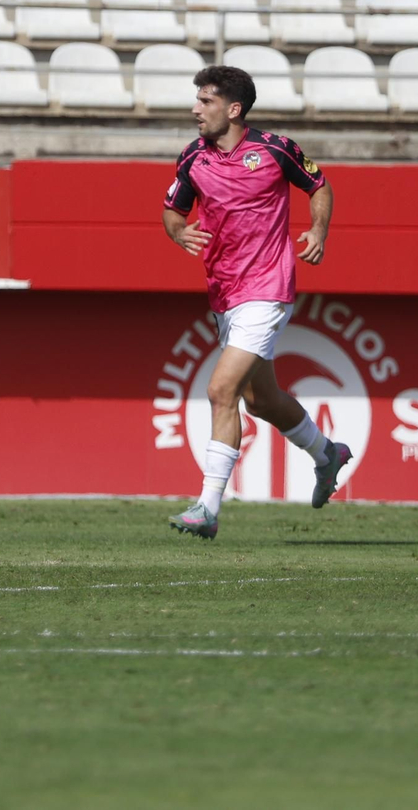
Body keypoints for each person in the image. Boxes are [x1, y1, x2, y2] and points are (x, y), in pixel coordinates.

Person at [163, 65, 350, 540]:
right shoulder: (193, 158)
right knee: (258, 398)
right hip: (224, 291)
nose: (195, 109)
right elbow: (172, 211)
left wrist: (319, 229)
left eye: (204, 101)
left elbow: (320, 186)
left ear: (233, 109)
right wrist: (179, 231)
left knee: (221, 390)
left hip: (268, 286)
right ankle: (327, 453)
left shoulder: (275, 149)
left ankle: (207, 508)